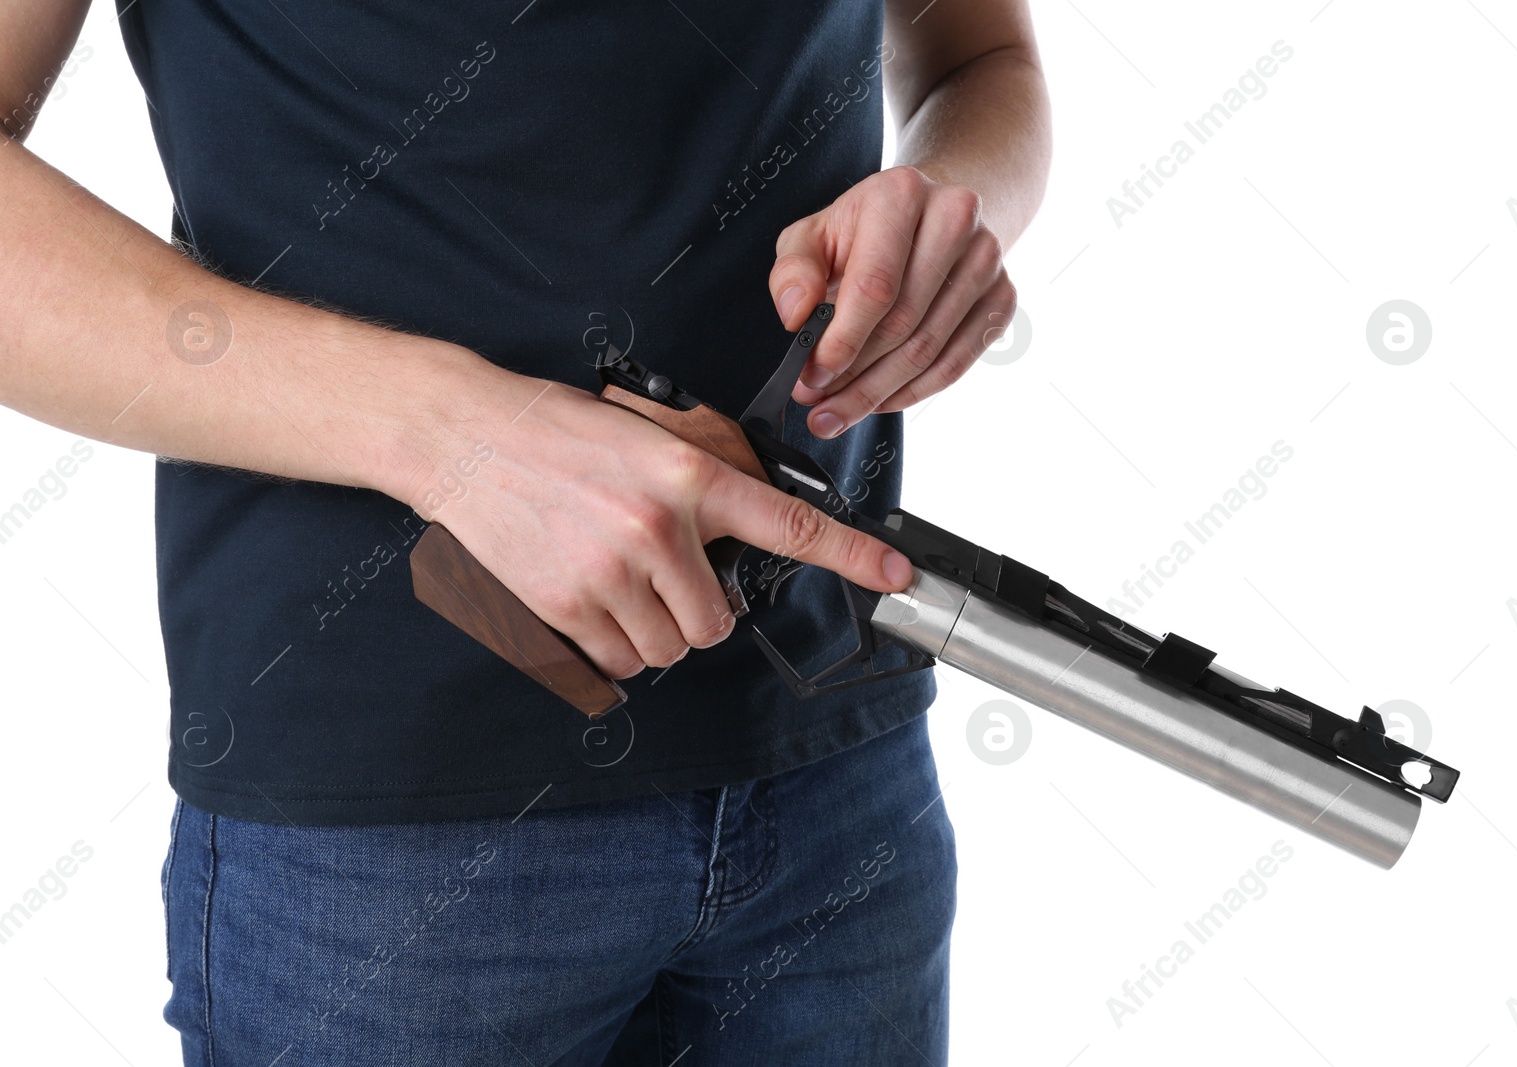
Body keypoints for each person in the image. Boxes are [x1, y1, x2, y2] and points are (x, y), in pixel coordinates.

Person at [1, 0, 1049, 1062]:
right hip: (385, 837)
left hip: (839, 765)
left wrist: (951, 208)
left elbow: (981, 58)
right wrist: (449, 432)